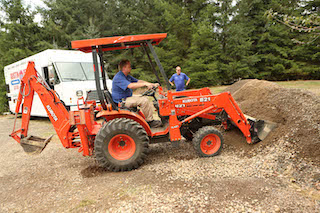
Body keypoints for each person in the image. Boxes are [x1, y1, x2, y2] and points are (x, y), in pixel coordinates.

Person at [111, 59, 162, 128]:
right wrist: (145, 84)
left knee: (142, 97)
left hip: (126, 97)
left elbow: (138, 81)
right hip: (122, 101)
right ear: (124, 68)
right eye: (129, 67)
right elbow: (131, 86)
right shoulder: (119, 77)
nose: (131, 68)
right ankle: (150, 121)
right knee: (145, 100)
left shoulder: (126, 76)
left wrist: (151, 84)